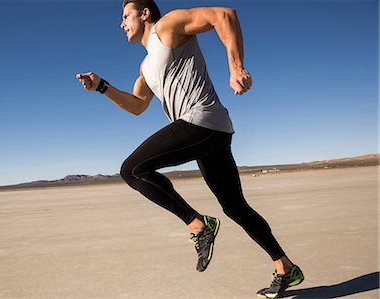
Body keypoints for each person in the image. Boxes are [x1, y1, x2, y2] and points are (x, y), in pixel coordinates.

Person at [76, 1, 304, 298]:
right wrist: (102, 87)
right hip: (212, 131)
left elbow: (223, 15)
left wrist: (236, 67)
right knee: (235, 206)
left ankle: (199, 226)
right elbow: (137, 105)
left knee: (132, 170)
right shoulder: (146, 66)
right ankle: (285, 267)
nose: (121, 23)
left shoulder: (166, 28)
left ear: (144, 13)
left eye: (125, 16)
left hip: (201, 121)